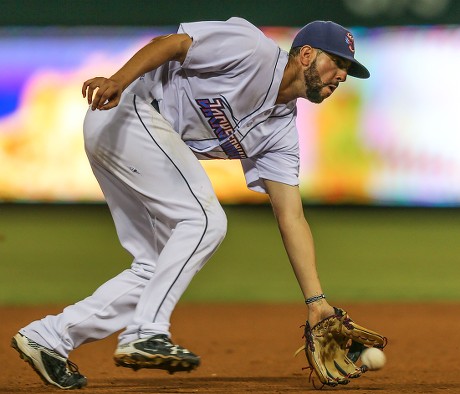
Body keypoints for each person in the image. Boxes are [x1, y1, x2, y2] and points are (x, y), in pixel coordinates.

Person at [11, 17, 371, 390]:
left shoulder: (280, 133)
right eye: (339, 63)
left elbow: (291, 216)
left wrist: (316, 303)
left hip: (136, 140)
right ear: (307, 55)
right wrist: (118, 79)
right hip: (128, 110)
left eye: (346, 69)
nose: (342, 76)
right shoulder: (253, 50)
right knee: (204, 222)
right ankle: (146, 331)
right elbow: (174, 44)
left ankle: (49, 338)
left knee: (157, 265)